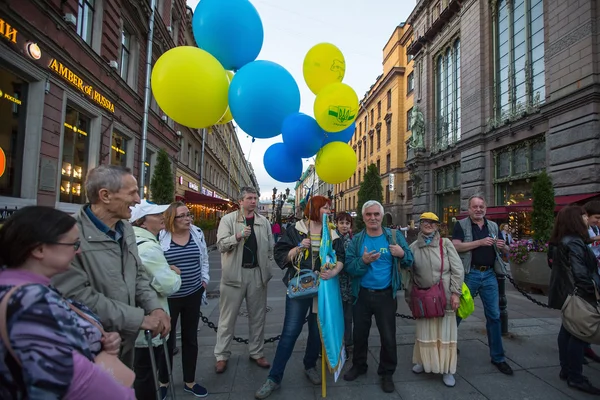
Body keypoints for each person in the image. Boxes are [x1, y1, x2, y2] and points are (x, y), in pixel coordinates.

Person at [0, 206, 135, 399]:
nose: (79, 251)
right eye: (73, 244)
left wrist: (101, 340)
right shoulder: (30, 300)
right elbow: (73, 380)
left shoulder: (26, 288)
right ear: (39, 249)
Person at [52, 165, 170, 368]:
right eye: (132, 193)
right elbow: (78, 296)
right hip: (92, 349)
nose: (138, 200)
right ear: (105, 195)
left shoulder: (126, 229)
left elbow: (138, 274)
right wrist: (138, 319)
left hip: (125, 343)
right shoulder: (69, 235)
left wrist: (155, 308)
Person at [255, 195, 345, 399]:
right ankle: (274, 378)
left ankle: (309, 365)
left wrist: (333, 272)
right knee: (290, 331)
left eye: (329, 208)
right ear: (314, 209)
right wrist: (298, 248)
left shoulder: (331, 233)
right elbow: (281, 254)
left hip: (322, 289)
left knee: (316, 331)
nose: (328, 211)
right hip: (299, 289)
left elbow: (341, 257)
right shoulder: (296, 230)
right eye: (325, 208)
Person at [343, 200, 413, 393]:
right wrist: (363, 261)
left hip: (386, 295)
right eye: (368, 215)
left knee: (388, 337)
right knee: (359, 335)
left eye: (376, 214)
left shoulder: (394, 236)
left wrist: (401, 254)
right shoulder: (357, 239)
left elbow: (410, 259)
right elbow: (349, 266)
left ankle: (387, 372)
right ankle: (359, 366)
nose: (373, 218)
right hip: (362, 295)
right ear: (363, 217)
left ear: (381, 216)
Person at [452, 194, 513, 375]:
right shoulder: (461, 225)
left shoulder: (493, 225)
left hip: (489, 275)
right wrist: (479, 242)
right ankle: (449, 346)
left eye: (481, 206)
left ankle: (498, 358)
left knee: (494, 316)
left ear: (485, 208)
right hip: (469, 274)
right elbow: (455, 246)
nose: (478, 209)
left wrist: (502, 246)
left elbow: (505, 249)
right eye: (475, 206)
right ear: (469, 209)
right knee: (457, 314)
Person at [215, 187, 274, 374]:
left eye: (256, 198)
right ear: (240, 201)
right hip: (234, 275)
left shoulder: (263, 222)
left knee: (258, 317)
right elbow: (221, 245)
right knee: (227, 319)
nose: (254, 201)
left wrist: (267, 267)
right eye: (249, 198)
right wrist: (238, 236)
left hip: (257, 274)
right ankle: (222, 355)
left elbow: (270, 247)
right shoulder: (228, 220)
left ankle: (257, 352)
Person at [130, 200, 182, 400]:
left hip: (139, 321)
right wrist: (175, 274)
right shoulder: (149, 248)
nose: (162, 217)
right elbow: (168, 285)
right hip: (149, 325)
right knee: (146, 376)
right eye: (156, 214)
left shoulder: (134, 240)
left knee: (141, 373)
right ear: (142, 221)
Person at [158, 202, 210, 397]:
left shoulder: (196, 233)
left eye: (189, 215)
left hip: (193, 294)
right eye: (183, 216)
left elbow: (204, 257)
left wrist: (204, 281)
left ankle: (190, 381)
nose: (188, 218)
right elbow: (154, 264)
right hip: (169, 298)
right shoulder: (161, 236)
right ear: (172, 219)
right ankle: (163, 382)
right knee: (167, 341)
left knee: (191, 339)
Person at [547, 205, 600, 395]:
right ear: (576, 219)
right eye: (584, 216)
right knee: (578, 333)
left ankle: (567, 370)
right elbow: (581, 273)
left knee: (567, 330)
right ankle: (575, 376)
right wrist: (592, 293)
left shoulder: (562, 239)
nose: (587, 219)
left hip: (567, 293)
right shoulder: (574, 242)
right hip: (578, 294)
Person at [407, 212, 464, 387]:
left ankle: (447, 370)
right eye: (425, 221)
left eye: (433, 222)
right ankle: (424, 362)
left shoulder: (445, 244)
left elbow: (458, 269)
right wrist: (410, 299)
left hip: (444, 297)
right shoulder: (413, 247)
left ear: (438, 225)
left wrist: (456, 293)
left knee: (446, 334)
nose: (429, 224)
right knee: (425, 332)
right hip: (423, 298)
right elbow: (409, 275)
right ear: (420, 224)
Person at [335, 211, 354, 358]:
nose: (344, 226)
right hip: (334, 285)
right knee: (334, 317)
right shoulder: (331, 239)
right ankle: (335, 344)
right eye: (341, 223)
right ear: (336, 224)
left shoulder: (352, 241)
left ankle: (348, 344)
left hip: (348, 286)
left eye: (347, 223)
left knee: (348, 317)